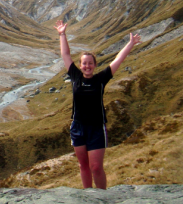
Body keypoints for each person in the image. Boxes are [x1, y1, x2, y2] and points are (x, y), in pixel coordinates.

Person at [54, 20, 141, 189]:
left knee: (96, 167)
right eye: (84, 63)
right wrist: (62, 34)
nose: (87, 66)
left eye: (90, 63)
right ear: (80, 66)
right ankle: (88, 196)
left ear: (94, 65)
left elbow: (118, 59)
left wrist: (130, 44)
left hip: (96, 128)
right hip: (77, 127)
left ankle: (102, 197)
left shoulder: (101, 79)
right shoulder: (76, 77)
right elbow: (65, 55)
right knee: (83, 166)